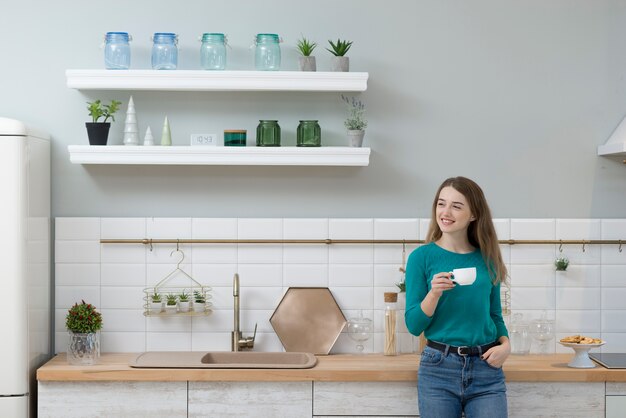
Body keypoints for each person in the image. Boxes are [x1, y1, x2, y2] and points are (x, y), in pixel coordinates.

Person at [405, 176, 510, 418]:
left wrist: (506, 345)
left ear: (473, 215)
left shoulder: (488, 258)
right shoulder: (421, 258)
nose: (446, 212)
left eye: (456, 206)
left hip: (487, 369)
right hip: (438, 368)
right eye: (441, 203)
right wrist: (434, 293)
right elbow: (413, 325)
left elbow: (494, 315)